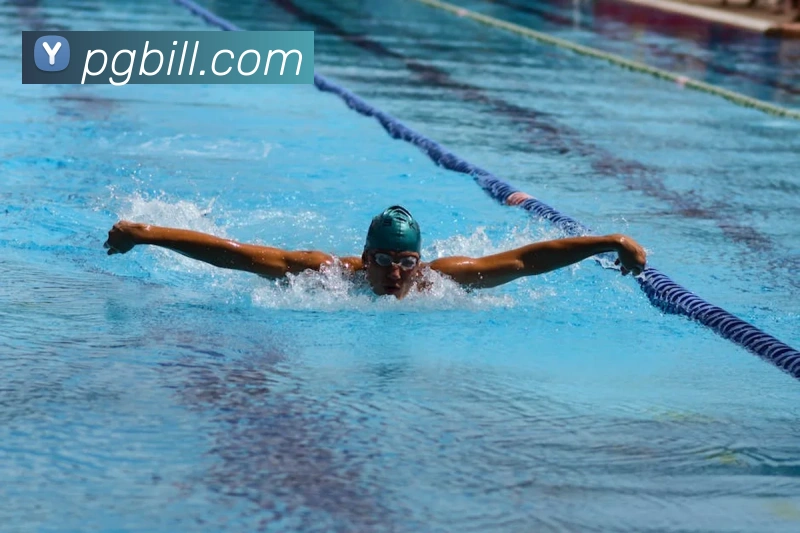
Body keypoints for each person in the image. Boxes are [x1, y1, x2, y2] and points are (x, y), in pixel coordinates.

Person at [104, 205, 647, 299]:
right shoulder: (326, 276)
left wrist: (609, 240)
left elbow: (526, 260)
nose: (394, 274)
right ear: (365, 260)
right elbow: (237, 254)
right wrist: (148, 233)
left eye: (405, 262)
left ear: (419, 262)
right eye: (383, 261)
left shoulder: (440, 280)